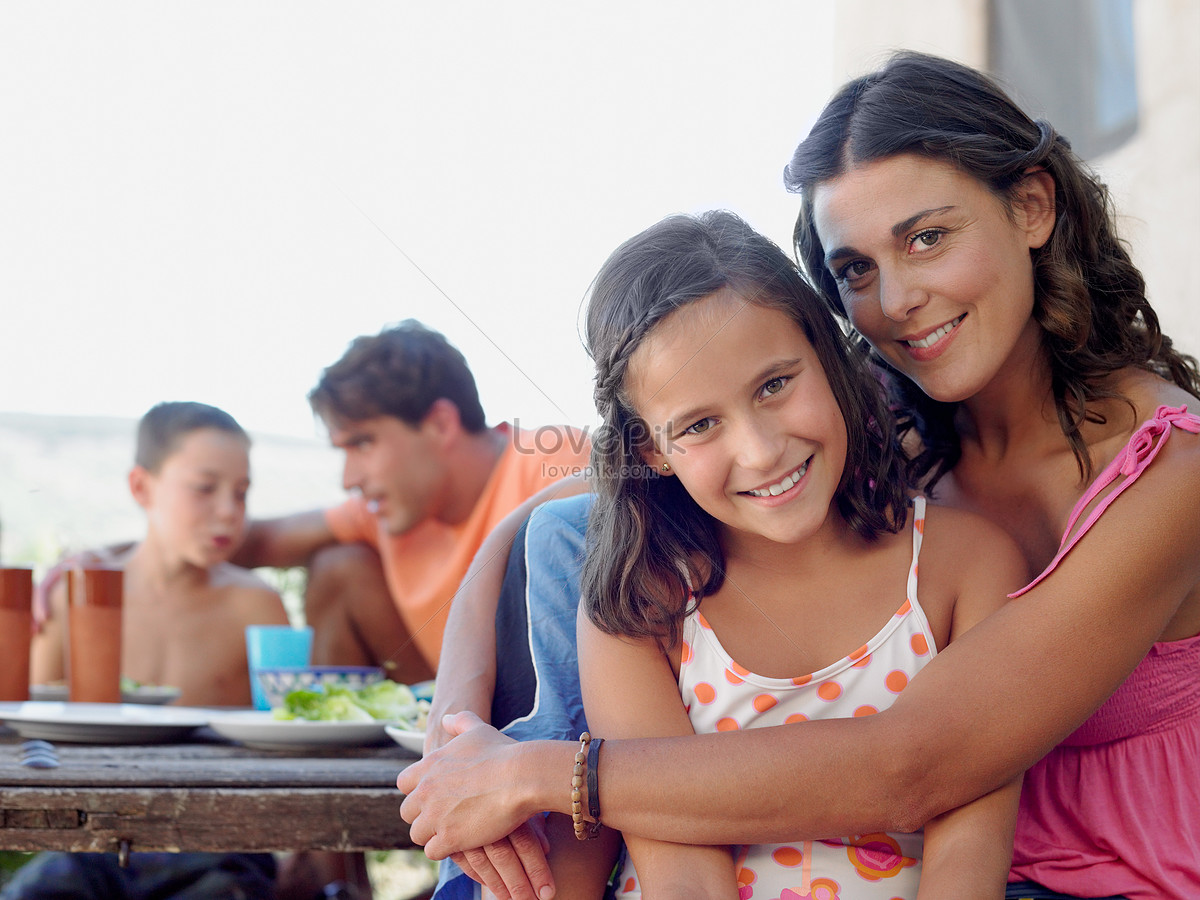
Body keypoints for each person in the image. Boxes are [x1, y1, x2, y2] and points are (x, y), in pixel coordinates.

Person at [397, 51, 1200, 900]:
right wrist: (458, 737)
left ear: (1032, 206)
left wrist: (543, 772)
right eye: (855, 269)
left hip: (1096, 876)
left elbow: (916, 767)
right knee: (578, 536)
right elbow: (561, 511)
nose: (895, 301)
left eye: (928, 238)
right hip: (913, 848)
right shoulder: (883, 412)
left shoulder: (1175, 471)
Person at [579, 211, 1024, 897]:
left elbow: (969, 861)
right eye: (700, 425)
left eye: (775, 385)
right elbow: (683, 879)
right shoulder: (643, 605)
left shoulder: (965, 569)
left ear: (828, 356)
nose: (760, 451)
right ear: (652, 453)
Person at [12, 401, 288, 900]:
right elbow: (32, 730)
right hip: (93, 843)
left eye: (242, 493)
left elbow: (288, 731)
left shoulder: (257, 606)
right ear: (141, 487)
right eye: (205, 489)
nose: (228, 510)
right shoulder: (74, 598)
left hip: (220, 841)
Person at [231, 319, 591, 683]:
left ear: (440, 424)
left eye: (362, 444)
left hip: (553, 714)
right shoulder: (388, 506)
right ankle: (334, 731)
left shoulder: (553, 464)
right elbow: (259, 542)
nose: (348, 479)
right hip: (443, 703)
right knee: (339, 566)